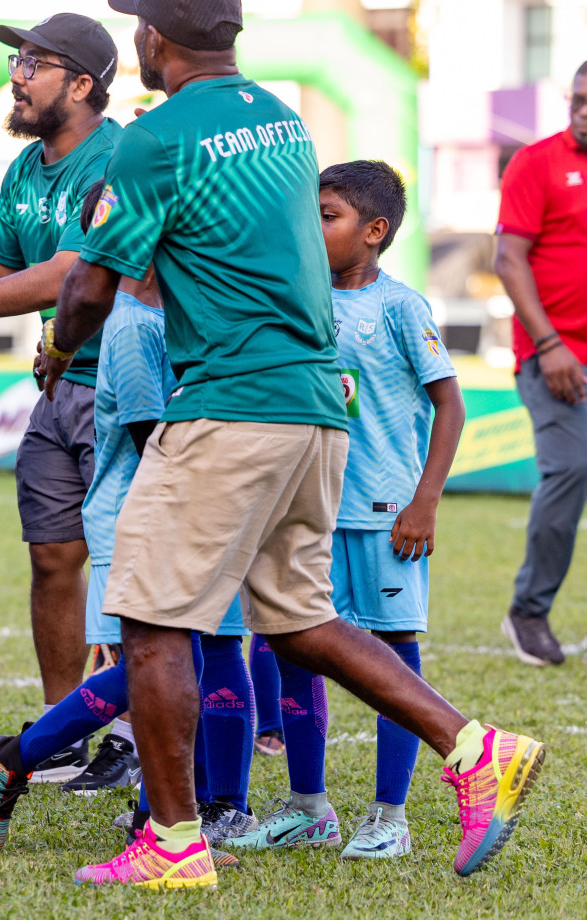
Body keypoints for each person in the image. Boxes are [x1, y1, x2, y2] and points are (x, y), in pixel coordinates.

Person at [42, 0, 544, 888]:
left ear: (156, 37)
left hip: (231, 405)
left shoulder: (158, 136)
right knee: (299, 620)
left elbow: (90, 285)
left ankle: (176, 843)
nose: (136, 40)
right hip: (316, 408)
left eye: (138, 26)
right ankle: (474, 748)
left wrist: (59, 352)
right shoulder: (283, 121)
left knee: (150, 617)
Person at [0, 182, 254, 853]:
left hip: (189, 506)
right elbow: (162, 439)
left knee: (204, 653)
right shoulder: (131, 325)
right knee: (163, 664)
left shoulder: (175, 310)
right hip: (153, 510)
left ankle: (215, 804)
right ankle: (36, 761)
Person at [226, 161, 465, 860]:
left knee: (392, 654)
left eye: (326, 215)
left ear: (374, 231)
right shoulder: (296, 301)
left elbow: (448, 403)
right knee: (293, 646)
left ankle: (389, 816)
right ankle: (309, 807)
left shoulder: (401, 308)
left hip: (385, 514)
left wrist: (424, 501)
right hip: (304, 513)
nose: (311, 226)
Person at [0, 13, 123, 782]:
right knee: (53, 559)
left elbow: (69, 273)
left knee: (129, 569)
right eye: (17, 59)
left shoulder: (119, 154)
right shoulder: (25, 169)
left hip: (125, 391)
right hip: (53, 390)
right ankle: (65, 735)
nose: (16, 74)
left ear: (82, 85)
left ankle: (126, 739)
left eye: (34, 62)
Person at [493, 60, 587, 666]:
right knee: (571, 468)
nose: (583, 111)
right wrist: (549, 345)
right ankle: (528, 612)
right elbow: (508, 259)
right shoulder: (537, 161)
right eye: (579, 99)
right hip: (556, 355)